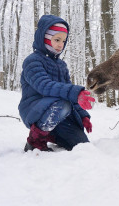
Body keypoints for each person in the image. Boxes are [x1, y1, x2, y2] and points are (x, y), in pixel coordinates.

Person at [18, 14, 95, 152]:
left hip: (59, 114)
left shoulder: (61, 65)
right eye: (57, 39)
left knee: (82, 145)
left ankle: (52, 134)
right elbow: (44, 86)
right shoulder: (32, 61)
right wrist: (76, 92)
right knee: (62, 105)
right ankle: (35, 140)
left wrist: (83, 115)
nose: (61, 45)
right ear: (45, 39)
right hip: (36, 110)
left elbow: (68, 94)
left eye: (64, 41)